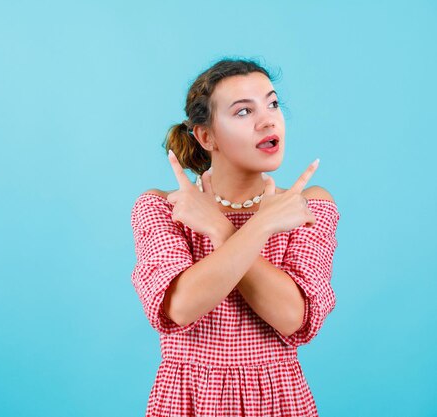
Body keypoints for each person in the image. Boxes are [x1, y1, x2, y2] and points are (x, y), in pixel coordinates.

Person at [129, 58, 341, 417]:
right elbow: (180, 308)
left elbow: (292, 316)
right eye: (244, 112)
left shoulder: (307, 206)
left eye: (272, 104)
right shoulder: (163, 208)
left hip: (278, 399)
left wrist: (220, 228)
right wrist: (260, 227)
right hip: (188, 400)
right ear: (206, 136)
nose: (268, 120)